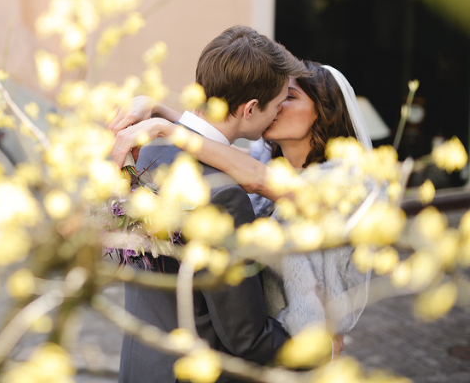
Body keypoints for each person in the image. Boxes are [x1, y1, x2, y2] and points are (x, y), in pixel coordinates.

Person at [110, 60, 372, 342]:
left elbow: (256, 178)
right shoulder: (267, 161)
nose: (277, 104)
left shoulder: (345, 184)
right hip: (269, 338)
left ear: (325, 113)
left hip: (302, 345)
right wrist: (158, 109)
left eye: (290, 98)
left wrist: (168, 128)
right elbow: (218, 147)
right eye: (278, 97)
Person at [117, 25, 306, 383]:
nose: (279, 114)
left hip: (141, 364)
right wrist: (312, 351)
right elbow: (245, 337)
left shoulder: (144, 153)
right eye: (279, 105)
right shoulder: (224, 195)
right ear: (250, 109)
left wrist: (162, 111)